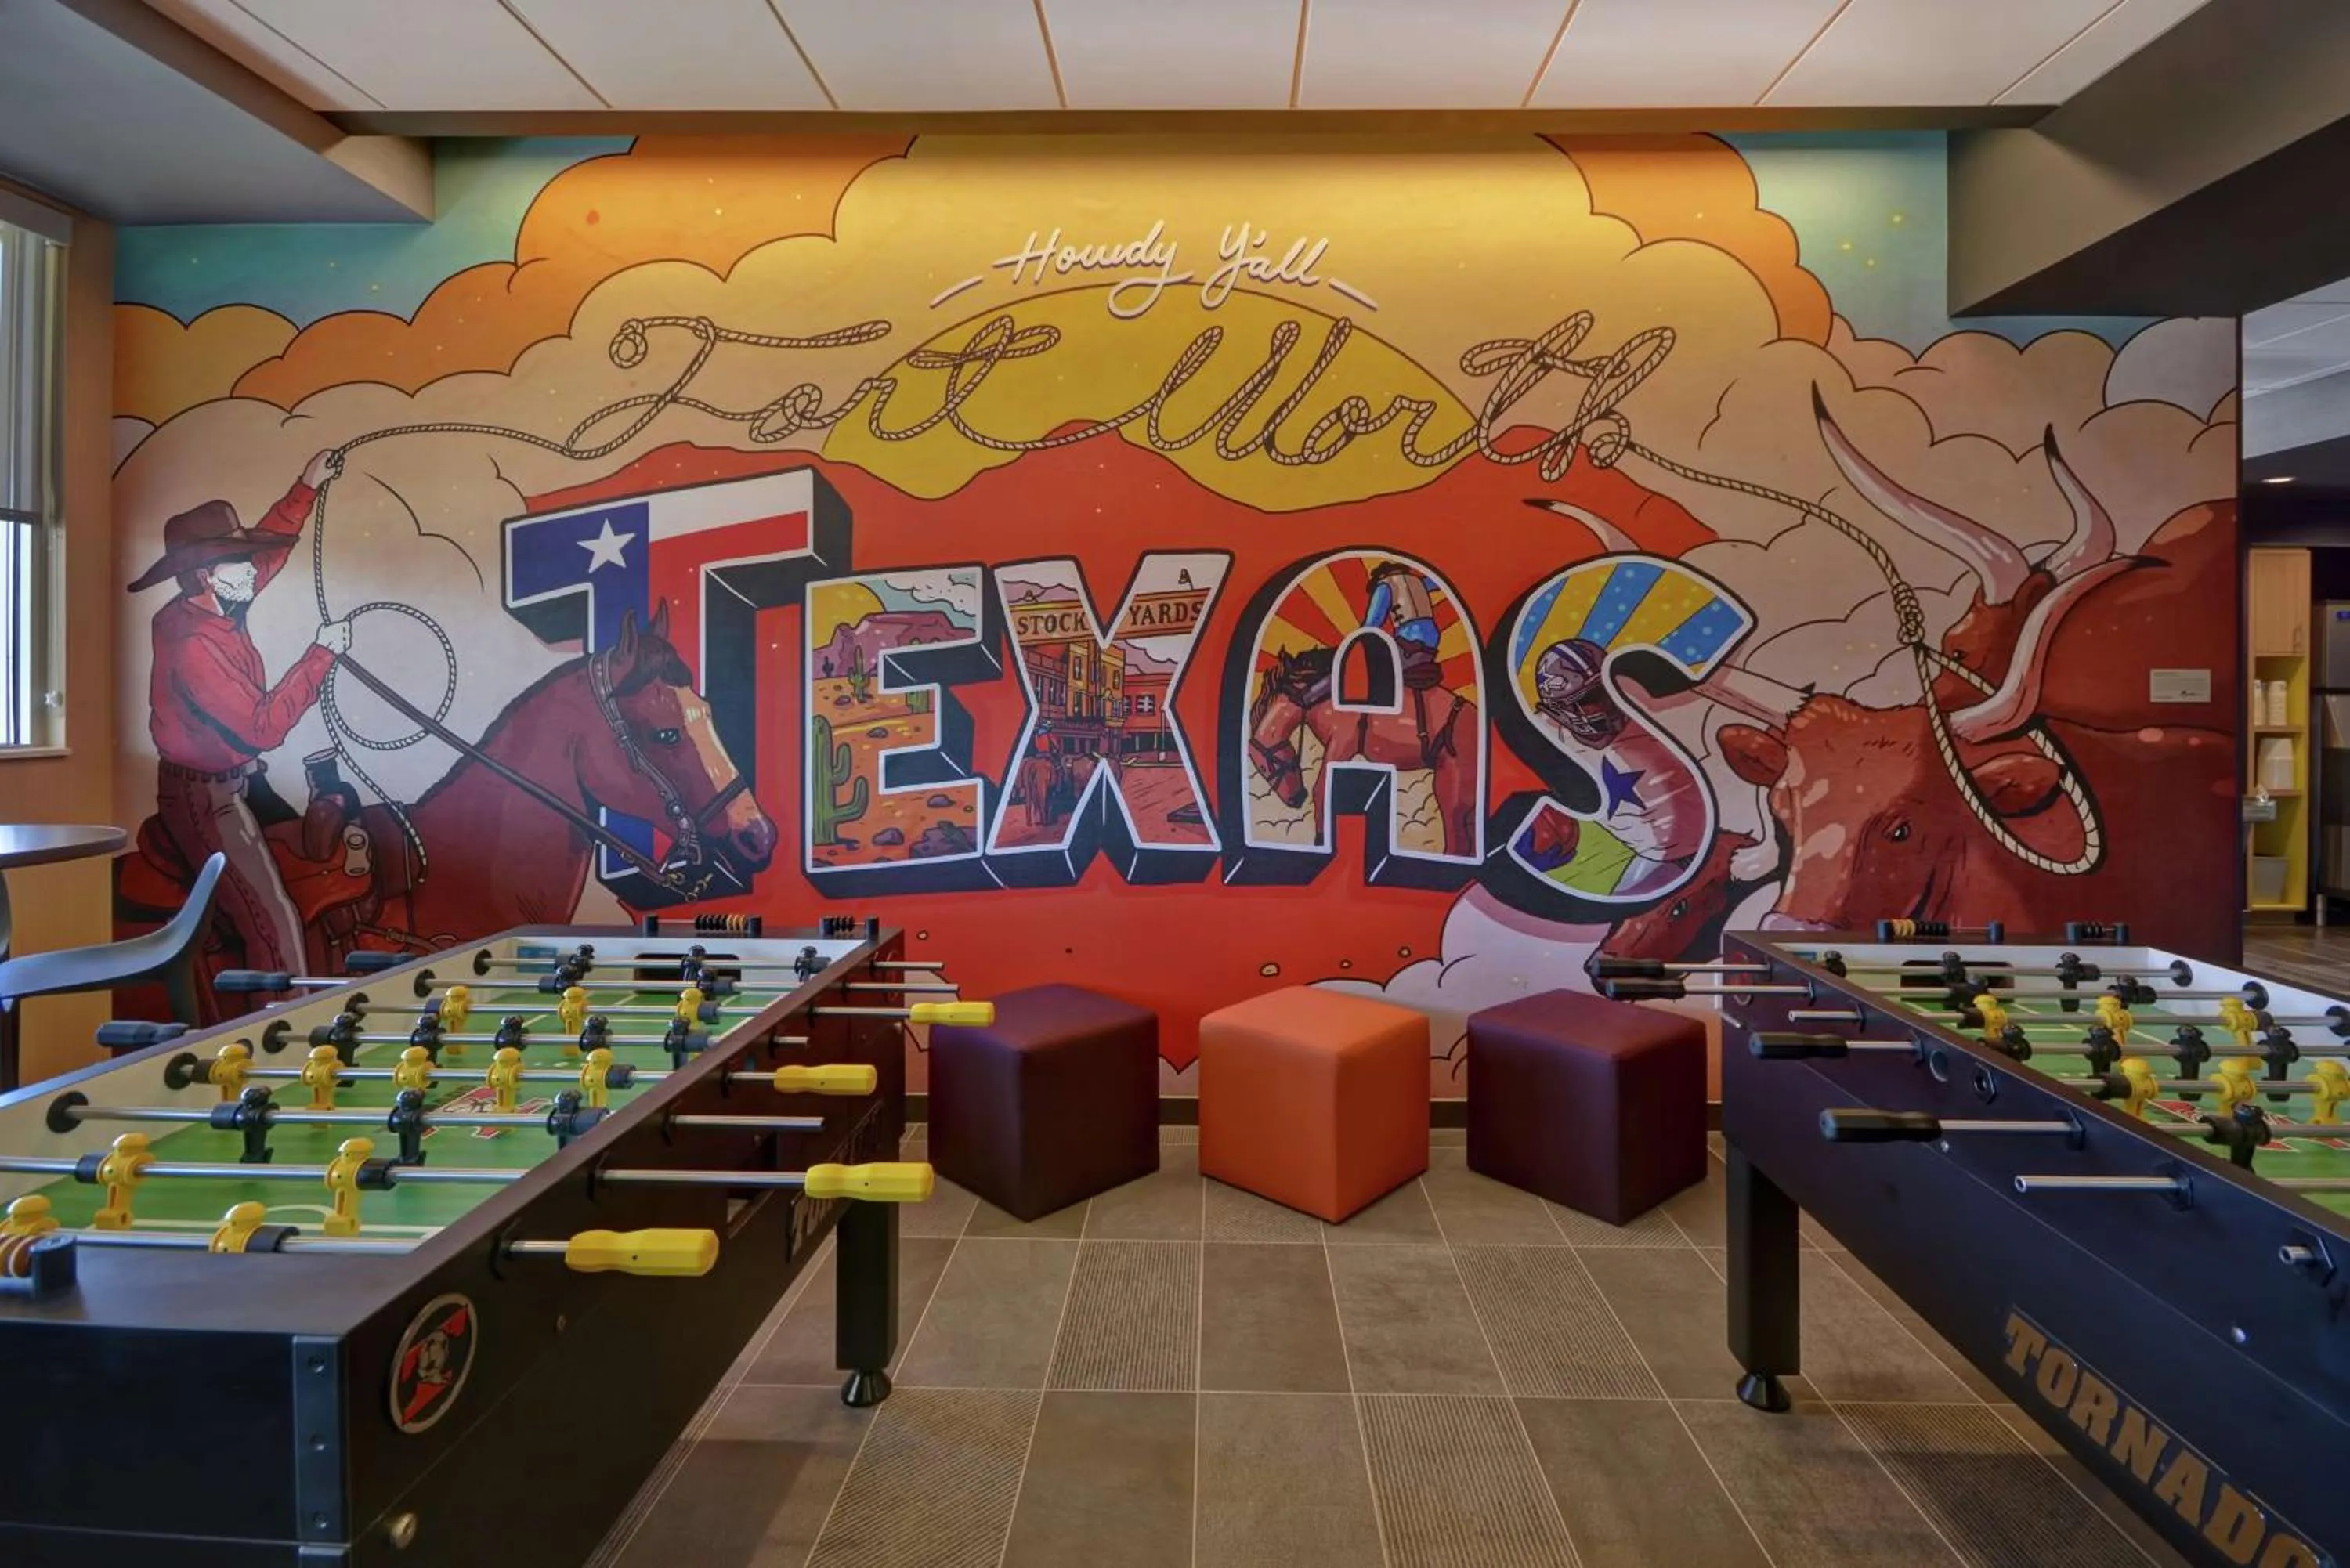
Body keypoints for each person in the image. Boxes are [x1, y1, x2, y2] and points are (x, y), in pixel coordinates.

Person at [127, 450, 354, 973]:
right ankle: (286, 1022)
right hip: (203, 799)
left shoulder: (223, 603)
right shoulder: (189, 642)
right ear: (206, 575)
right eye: (239, 562)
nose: (254, 569)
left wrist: (308, 484)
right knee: (271, 921)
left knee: (315, 865)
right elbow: (263, 727)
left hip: (242, 783)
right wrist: (322, 654)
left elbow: (271, 552)